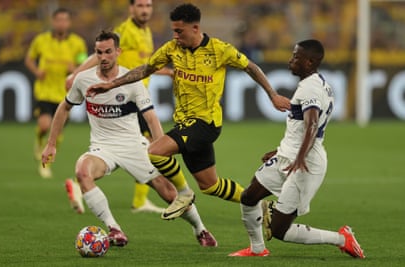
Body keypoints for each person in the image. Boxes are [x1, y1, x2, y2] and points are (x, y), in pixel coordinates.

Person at [86, 3, 291, 219]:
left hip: (206, 123)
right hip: (184, 124)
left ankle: (183, 194)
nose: (175, 35)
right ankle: (263, 207)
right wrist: (111, 84)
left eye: (179, 31)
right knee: (211, 185)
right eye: (173, 30)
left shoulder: (219, 50)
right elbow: (146, 69)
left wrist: (273, 95)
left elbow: (251, 66)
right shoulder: (172, 49)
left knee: (154, 151)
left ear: (195, 28)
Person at [42, 30, 217, 247]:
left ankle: (200, 229)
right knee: (82, 172)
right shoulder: (83, 80)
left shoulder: (131, 81)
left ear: (118, 52)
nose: (103, 57)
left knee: (168, 191)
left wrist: (163, 151)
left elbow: (151, 118)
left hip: (134, 146)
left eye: (108, 52)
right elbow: (64, 107)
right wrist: (51, 144)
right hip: (102, 148)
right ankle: (114, 229)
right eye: (99, 53)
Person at [229, 39, 365, 258]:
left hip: (306, 163)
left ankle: (342, 238)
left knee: (280, 230)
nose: (290, 60)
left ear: (310, 62)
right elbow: (301, 126)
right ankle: (257, 249)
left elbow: (312, 123)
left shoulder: (311, 87)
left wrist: (300, 157)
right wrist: (279, 150)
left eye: (296, 57)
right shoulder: (315, 83)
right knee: (249, 196)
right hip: (288, 155)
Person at [65, 0, 174, 214]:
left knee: (146, 149)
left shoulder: (147, 32)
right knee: (149, 149)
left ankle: (138, 199)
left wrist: (167, 72)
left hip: (139, 94)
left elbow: (143, 65)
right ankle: (87, 186)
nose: (145, 10)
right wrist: (76, 73)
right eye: (140, 6)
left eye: (148, 6)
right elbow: (99, 55)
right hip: (125, 98)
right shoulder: (125, 30)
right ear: (131, 8)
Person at [25, 7, 87, 178]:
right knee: (45, 125)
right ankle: (39, 140)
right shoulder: (41, 40)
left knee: (57, 132)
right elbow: (29, 59)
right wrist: (37, 71)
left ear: (69, 22)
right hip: (45, 91)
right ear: (53, 22)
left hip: (65, 94)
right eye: (58, 20)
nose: (62, 23)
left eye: (65, 20)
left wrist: (73, 69)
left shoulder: (77, 43)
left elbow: (83, 65)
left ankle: (45, 164)